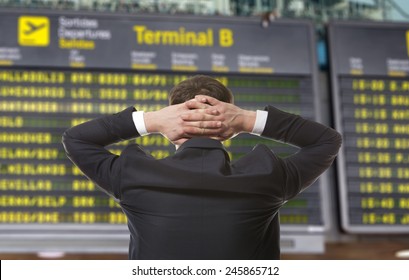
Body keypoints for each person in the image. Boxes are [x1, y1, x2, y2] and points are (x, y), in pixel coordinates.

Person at [62, 75, 342, 259]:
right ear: (226, 124)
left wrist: (152, 121)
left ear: (172, 118)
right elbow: (326, 141)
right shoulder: (267, 177)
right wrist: (247, 120)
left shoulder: (133, 176)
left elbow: (77, 139)